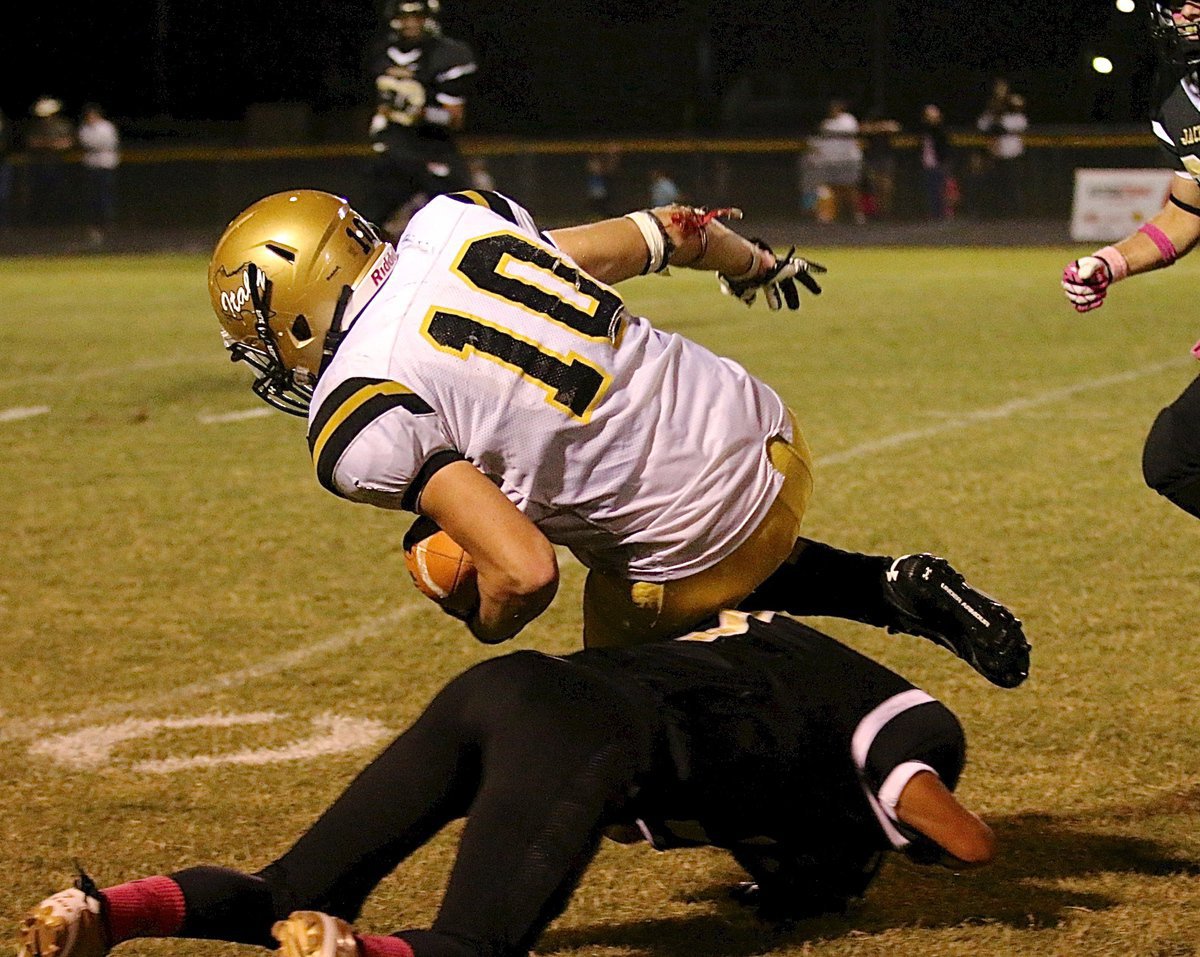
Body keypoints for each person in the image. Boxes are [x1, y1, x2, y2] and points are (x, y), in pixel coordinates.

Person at [207, 186, 1029, 687]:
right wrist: (757, 266)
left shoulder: (358, 408)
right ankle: (891, 585)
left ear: (296, 307)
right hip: (766, 435)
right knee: (690, 571)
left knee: (626, 726)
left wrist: (479, 615)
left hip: (692, 532)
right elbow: (676, 230)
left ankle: (820, 831)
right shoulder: (455, 223)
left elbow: (525, 573)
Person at [17, 611, 996, 957]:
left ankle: (109, 912)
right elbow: (962, 836)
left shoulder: (786, 659)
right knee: (473, 944)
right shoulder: (894, 729)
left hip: (512, 684)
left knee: (289, 885)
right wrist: (857, 809)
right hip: (585, 732)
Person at [1062, 0, 1200, 519]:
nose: (1186, 12)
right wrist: (1112, 262)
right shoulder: (1180, 110)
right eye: (1176, 2)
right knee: (1174, 460)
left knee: (1177, 457)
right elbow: (1189, 210)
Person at [361, 0, 477, 238]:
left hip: (434, 152)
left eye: (417, 16)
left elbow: (454, 120)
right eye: (405, 17)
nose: (411, 23)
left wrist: (419, 113)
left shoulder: (448, 55)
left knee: (466, 222)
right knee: (364, 226)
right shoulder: (381, 53)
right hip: (396, 152)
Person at [805, 99, 864, 225]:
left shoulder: (848, 120)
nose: (833, 110)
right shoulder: (827, 123)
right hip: (831, 162)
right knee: (831, 189)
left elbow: (849, 130)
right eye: (832, 107)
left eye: (836, 107)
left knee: (849, 188)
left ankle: (857, 214)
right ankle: (833, 215)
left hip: (847, 160)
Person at [975, 84, 1027, 219]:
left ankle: (1016, 214)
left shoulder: (1015, 116)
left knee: (1013, 186)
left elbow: (1020, 125)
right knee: (996, 185)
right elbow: (981, 125)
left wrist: (999, 122)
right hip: (996, 156)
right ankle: (996, 213)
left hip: (1012, 156)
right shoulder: (990, 115)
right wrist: (993, 116)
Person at [23, 96, 74, 226]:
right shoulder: (35, 126)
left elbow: (68, 143)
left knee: (59, 192)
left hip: (58, 163)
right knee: (39, 193)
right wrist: (51, 144)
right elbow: (32, 142)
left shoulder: (63, 125)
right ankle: (39, 220)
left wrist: (50, 144)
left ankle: (60, 219)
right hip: (39, 163)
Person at [77, 103, 120, 246]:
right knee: (92, 196)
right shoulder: (85, 128)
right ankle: (93, 224)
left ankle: (108, 223)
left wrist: (95, 145)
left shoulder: (107, 127)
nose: (90, 118)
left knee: (106, 195)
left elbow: (108, 143)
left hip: (106, 164)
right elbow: (85, 142)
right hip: (91, 165)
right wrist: (95, 145)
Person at [917, 104, 952, 221]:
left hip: (939, 163)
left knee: (940, 188)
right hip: (927, 163)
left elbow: (944, 145)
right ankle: (934, 212)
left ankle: (942, 212)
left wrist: (944, 162)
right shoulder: (924, 130)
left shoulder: (940, 129)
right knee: (931, 189)